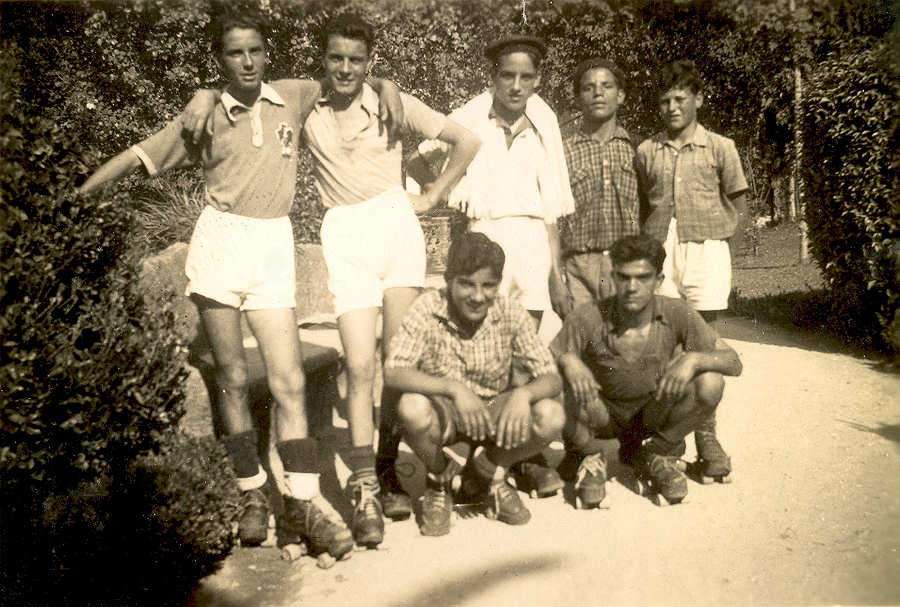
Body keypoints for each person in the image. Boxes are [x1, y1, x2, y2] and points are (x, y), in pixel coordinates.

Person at [79, 9, 364, 561]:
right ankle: (251, 490)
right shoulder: (203, 116)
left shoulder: (293, 95)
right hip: (221, 243)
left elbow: (352, 79)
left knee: (288, 379)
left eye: (256, 50)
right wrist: (73, 202)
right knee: (231, 376)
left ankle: (302, 503)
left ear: (267, 52)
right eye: (235, 53)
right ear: (220, 59)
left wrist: (391, 92)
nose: (248, 61)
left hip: (271, 243)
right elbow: (137, 157)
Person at [408, 35, 573, 497]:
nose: (516, 86)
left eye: (526, 77)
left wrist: (555, 274)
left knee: (523, 353)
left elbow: (551, 208)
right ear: (492, 76)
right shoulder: (468, 118)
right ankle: (476, 444)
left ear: (537, 80)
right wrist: (446, 194)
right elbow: (418, 161)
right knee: (482, 346)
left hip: (533, 242)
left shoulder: (544, 122)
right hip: (485, 236)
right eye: (507, 75)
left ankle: (515, 458)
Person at [383, 232, 565, 536]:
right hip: (446, 412)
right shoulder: (427, 307)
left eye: (488, 285)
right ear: (449, 281)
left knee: (551, 414)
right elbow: (393, 371)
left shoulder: (508, 311)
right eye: (467, 284)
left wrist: (523, 395)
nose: (478, 296)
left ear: (499, 284)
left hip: (492, 412)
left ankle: (490, 471)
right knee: (411, 406)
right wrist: (453, 388)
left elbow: (551, 377)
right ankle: (439, 480)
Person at [551, 234, 743, 507]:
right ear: (612, 277)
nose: (632, 287)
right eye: (624, 277)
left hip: (653, 412)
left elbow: (733, 362)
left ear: (659, 280)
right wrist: (568, 361)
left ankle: (656, 453)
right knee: (556, 382)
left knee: (710, 381)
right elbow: (544, 361)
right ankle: (590, 454)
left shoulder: (677, 312)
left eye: (642, 278)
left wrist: (693, 360)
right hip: (601, 414)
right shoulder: (588, 315)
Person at [635, 59, 749, 483]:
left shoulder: (720, 147)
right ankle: (668, 438)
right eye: (665, 100)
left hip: (706, 249)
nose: (672, 107)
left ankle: (707, 437)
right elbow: (642, 206)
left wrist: (721, 246)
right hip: (661, 252)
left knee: (704, 344)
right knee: (665, 343)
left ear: (698, 100)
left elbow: (738, 204)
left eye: (680, 98)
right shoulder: (647, 151)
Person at [560, 58, 640, 308]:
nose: (598, 93)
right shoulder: (562, 152)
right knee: (584, 331)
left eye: (607, 86)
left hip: (628, 265)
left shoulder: (638, 149)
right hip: (579, 267)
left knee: (630, 332)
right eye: (588, 87)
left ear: (620, 95)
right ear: (577, 97)